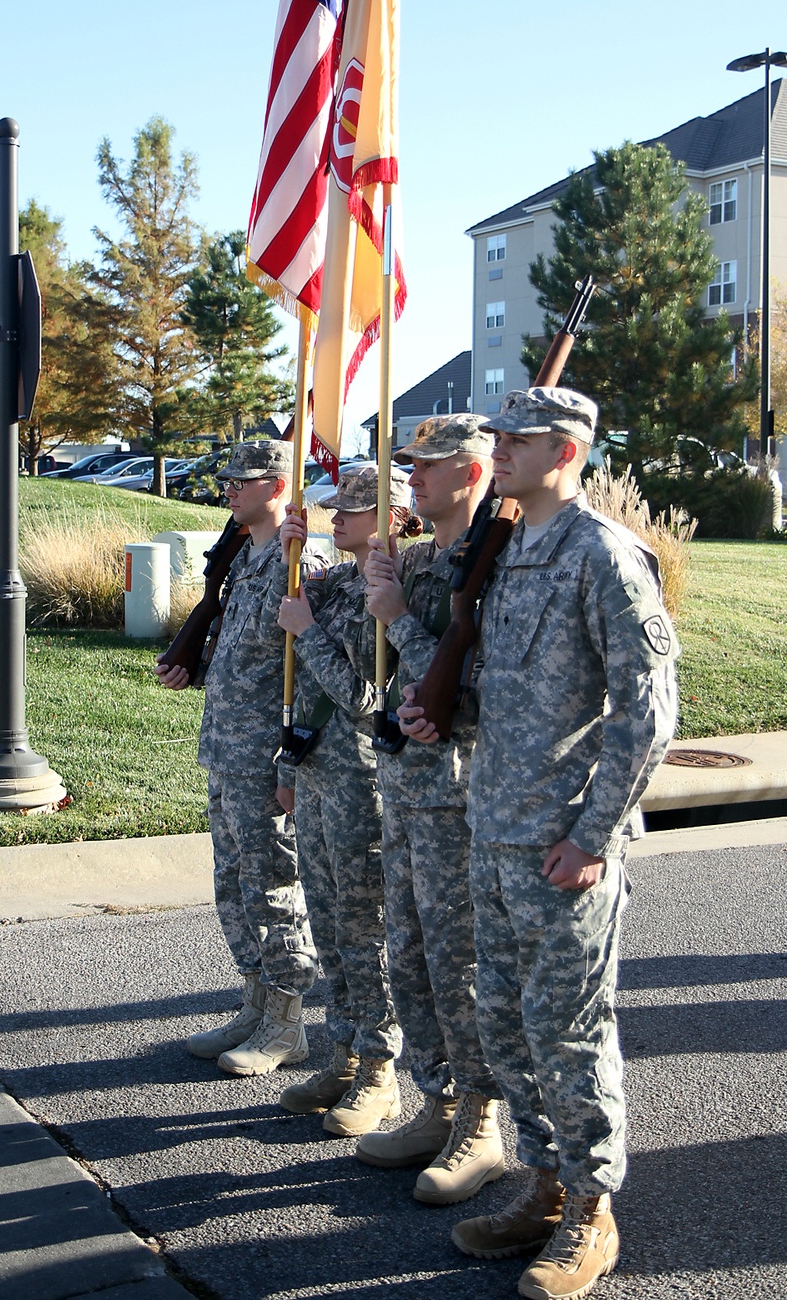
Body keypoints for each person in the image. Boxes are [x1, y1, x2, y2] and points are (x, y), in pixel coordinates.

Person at [401, 387, 679, 1300]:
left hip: (562, 845)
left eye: (516, 438)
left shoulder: (605, 556)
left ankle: (593, 1213)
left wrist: (593, 835)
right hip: (493, 832)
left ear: (565, 451)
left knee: (569, 1029)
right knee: (511, 1028)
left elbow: (648, 714)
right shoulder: (516, 551)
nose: (500, 449)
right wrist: (443, 712)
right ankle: (546, 1185)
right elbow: (516, 689)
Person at [355, 415, 504, 1207]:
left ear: (474, 471)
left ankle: (482, 1122)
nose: (413, 474)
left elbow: (470, 688)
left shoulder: (496, 562)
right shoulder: (421, 560)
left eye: (431, 464)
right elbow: (377, 666)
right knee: (409, 956)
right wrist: (372, 574)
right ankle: (436, 1102)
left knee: (460, 963)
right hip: (406, 787)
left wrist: (398, 617)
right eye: (411, 462)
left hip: (460, 793)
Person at [258, 464, 420, 1138]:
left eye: (355, 509)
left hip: (362, 779)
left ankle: (380, 1073)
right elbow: (284, 622)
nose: (338, 517)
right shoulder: (337, 581)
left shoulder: (392, 586)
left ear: (396, 517)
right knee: (328, 922)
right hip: (320, 774)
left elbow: (365, 701)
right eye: (336, 508)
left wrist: (309, 633)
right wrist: (285, 544)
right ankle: (343, 1052)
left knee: (364, 932)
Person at [154, 440, 321, 1077]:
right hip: (226, 748)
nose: (229, 489)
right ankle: (254, 1002)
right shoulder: (245, 561)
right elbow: (241, 654)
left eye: (242, 481)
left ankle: (287, 1021)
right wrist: (192, 667)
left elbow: (309, 673)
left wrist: (290, 766)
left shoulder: (297, 563)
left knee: (275, 886)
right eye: (227, 480)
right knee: (234, 886)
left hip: (266, 759)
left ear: (278, 487)